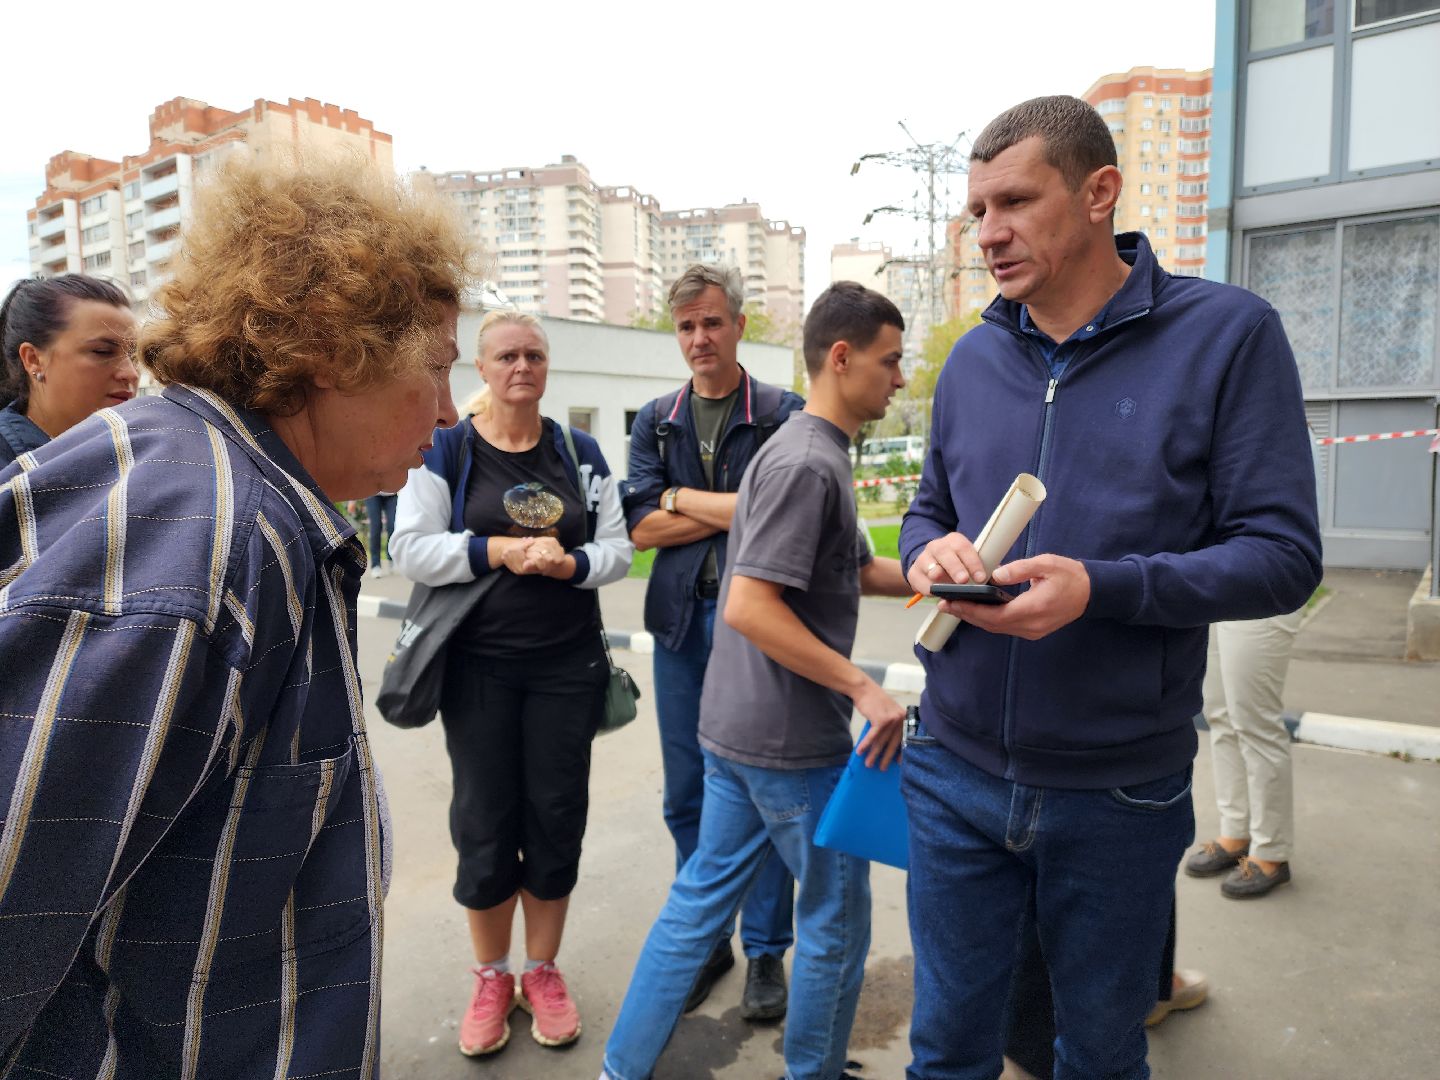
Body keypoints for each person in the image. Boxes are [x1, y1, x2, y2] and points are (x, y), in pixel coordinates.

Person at [0, 156, 469, 1077]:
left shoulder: (238, 500)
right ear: (337, 347)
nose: (450, 413)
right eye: (440, 367)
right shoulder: (204, 545)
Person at [899, 95, 1322, 1079]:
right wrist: (931, 553)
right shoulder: (971, 357)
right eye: (976, 212)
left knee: (1094, 1055)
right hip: (953, 771)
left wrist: (1102, 588)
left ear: (1100, 193)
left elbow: (1284, 556)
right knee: (947, 1048)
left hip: (1114, 792)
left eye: (1014, 201)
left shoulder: (1228, 336)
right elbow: (928, 509)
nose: (988, 233)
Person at [602, 281, 913, 1080]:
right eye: (892, 361)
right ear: (841, 359)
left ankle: (619, 1069)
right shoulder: (810, 461)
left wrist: (939, 579)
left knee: (696, 903)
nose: (901, 379)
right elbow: (748, 605)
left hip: (734, 730)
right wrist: (862, 688)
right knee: (837, 920)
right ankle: (812, 1070)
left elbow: (841, 569)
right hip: (788, 742)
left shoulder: (793, 446)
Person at [389, 308, 632, 1057]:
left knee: (556, 819)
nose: (521, 367)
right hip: (480, 671)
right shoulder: (448, 452)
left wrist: (573, 564)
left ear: (546, 366)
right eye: (505, 356)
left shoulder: (579, 451)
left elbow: (619, 548)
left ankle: (543, 970)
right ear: (482, 370)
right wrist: (496, 549)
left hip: (566, 670)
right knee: (486, 823)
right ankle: (492, 976)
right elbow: (408, 547)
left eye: (533, 355)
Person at [621, 263, 804, 1017]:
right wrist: (732, 505)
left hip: (759, 626)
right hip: (679, 626)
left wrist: (677, 496)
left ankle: (766, 954)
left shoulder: (784, 413)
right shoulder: (653, 418)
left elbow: (784, 511)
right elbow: (639, 528)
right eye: (687, 325)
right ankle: (704, 942)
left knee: (763, 790)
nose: (700, 337)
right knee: (688, 790)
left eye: (713, 322)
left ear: (738, 326)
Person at [1186, 607, 1305, 897]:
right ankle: (1236, 833)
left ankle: (1271, 851)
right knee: (1220, 715)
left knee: (1256, 723)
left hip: (1261, 584)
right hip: (1218, 587)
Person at [0, 273, 138, 466]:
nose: (131, 373)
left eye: (135, 356)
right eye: (102, 351)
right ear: (33, 359)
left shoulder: (141, 454)